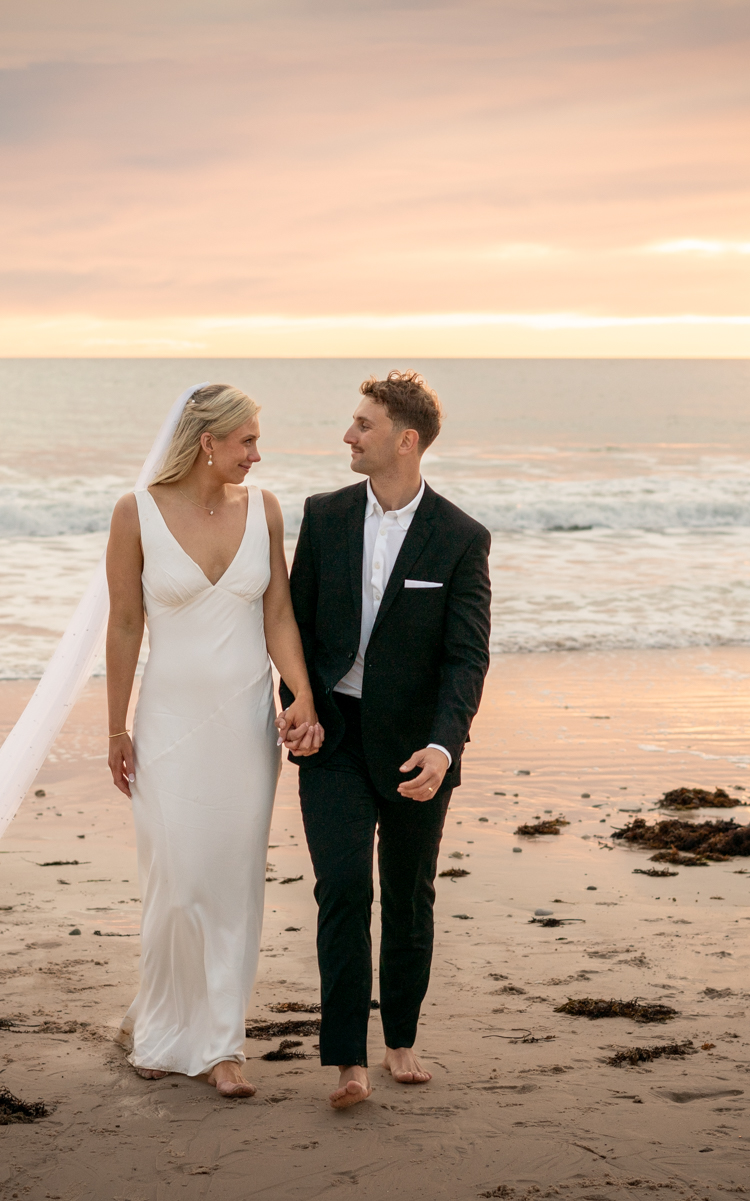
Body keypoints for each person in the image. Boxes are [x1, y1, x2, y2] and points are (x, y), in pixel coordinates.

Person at [279, 369, 492, 1109]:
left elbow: (467, 656)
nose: (348, 434)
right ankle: (347, 1059)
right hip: (332, 736)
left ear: (406, 439)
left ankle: (400, 1036)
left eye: (363, 424)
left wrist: (444, 746)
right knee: (342, 886)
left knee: (408, 894)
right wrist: (297, 706)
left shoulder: (462, 537)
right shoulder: (325, 514)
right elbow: (293, 629)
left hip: (416, 749)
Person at [104, 384, 323, 1099]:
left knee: (232, 883)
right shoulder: (135, 513)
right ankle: (166, 1034)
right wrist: (115, 726)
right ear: (207, 441)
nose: (258, 455)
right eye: (247, 441)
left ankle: (223, 1044)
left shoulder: (263, 509)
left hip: (244, 726)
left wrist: (303, 695)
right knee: (175, 882)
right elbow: (125, 625)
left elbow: (280, 615)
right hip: (167, 725)